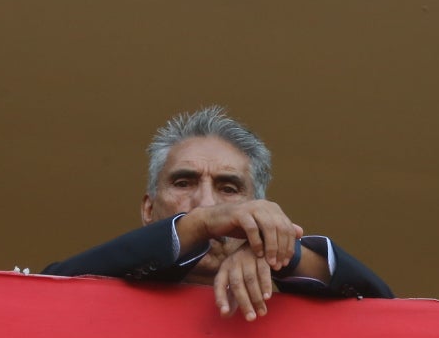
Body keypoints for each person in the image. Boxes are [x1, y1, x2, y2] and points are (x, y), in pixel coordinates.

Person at [43, 106, 392, 319]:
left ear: (259, 208)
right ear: (149, 209)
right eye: (183, 182)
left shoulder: (294, 291)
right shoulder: (97, 287)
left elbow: (392, 316)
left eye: (229, 189)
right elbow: (44, 292)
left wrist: (279, 253)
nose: (207, 203)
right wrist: (198, 227)